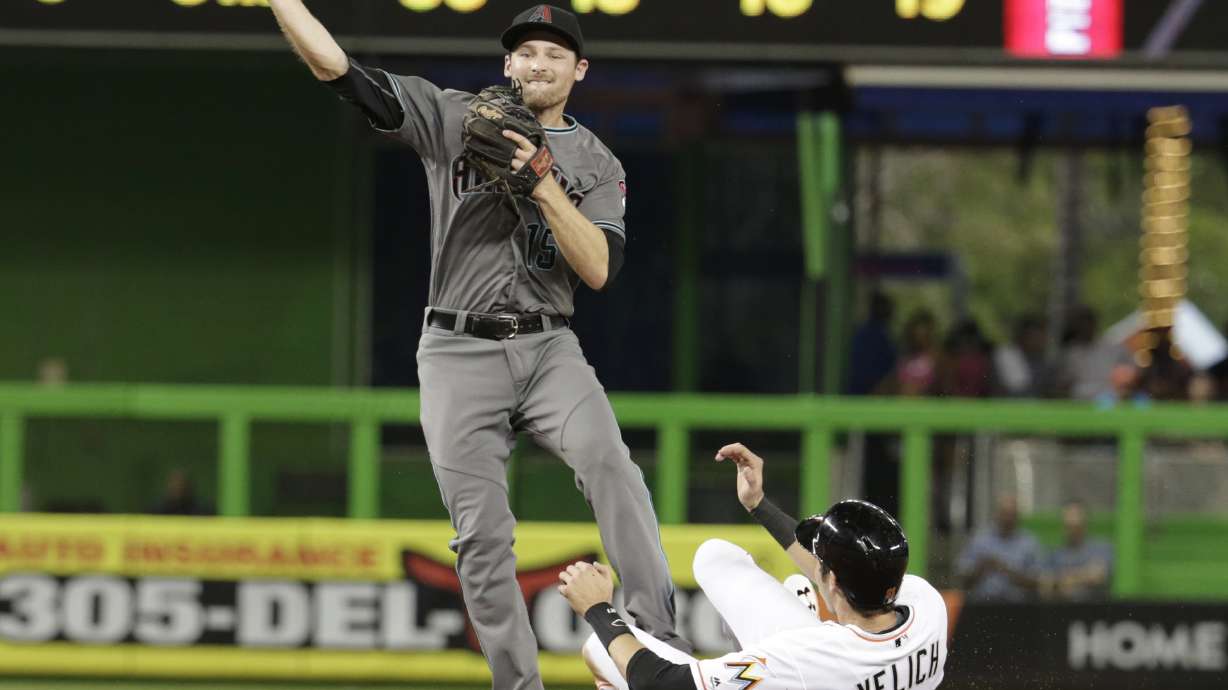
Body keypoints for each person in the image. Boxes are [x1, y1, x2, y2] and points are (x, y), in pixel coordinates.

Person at [267, 4, 687, 688]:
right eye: (525, 52)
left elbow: (599, 269)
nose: (537, 63)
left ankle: (658, 649)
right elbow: (336, 69)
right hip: (457, 348)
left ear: (578, 71)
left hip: (549, 347)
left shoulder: (597, 164)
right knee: (482, 539)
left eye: (553, 54)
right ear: (507, 64)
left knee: (614, 469)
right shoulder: (456, 119)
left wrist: (541, 182)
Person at [562, 443, 949, 690]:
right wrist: (758, 504)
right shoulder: (927, 607)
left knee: (599, 648)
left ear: (830, 583)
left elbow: (663, 684)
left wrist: (599, 609)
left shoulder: (804, 658)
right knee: (714, 557)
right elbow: (838, 574)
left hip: (803, 675)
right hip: (823, 668)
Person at [955, 493, 1042, 602]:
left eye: (1012, 514)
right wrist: (983, 566)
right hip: (982, 604)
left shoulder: (1029, 543)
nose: (1008, 518)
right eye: (1005, 513)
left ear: (1018, 516)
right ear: (996, 514)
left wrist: (1005, 570)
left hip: (1018, 606)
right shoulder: (979, 540)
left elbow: (1037, 582)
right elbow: (962, 577)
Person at [1041, 501, 1112, 601]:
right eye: (1068, 524)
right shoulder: (1055, 554)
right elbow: (1045, 586)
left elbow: (1097, 576)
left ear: (1085, 522)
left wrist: (1061, 580)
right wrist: (1082, 576)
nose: (1071, 522)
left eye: (1075, 520)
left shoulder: (1101, 547)